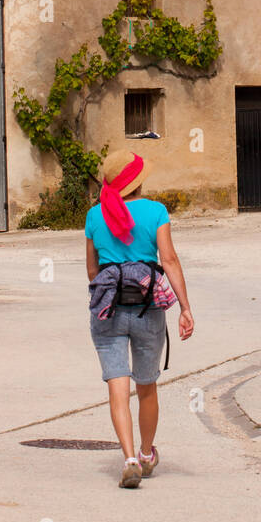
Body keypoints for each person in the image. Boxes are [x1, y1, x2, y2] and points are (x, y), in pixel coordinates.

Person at [85, 149, 194, 488]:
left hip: (109, 309)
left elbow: (92, 269)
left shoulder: (94, 215)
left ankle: (129, 458)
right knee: (146, 388)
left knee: (118, 387)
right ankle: (147, 455)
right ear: (138, 180)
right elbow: (170, 260)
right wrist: (185, 307)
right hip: (148, 310)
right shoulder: (156, 211)